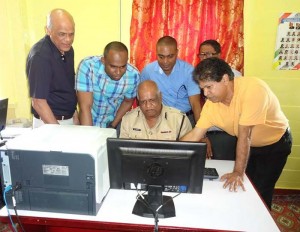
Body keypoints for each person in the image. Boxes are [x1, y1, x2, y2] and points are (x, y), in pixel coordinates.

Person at [180, 57, 292, 209]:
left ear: (225, 79)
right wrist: (170, 155)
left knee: (261, 192)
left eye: (209, 87)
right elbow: (195, 135)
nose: (205, 94)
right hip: (249, 145)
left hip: (274, 144)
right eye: (202, 89)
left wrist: (238, 172)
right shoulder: (212, 105)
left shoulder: (253, 89)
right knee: (246, 188)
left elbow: (245, 135)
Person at [26, 9, 79, 128]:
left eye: (71, 34)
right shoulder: (40, 56)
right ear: (48, 30)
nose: (68, 39)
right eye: (62, 34)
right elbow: (38, 102)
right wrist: (57, 130)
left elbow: (68, 87)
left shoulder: (68, 49)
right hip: (49, 122)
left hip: (68, 119)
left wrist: (75, 114)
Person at [76, 41, 140, 133]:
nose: (118, 72)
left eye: (122, 67)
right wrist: (89, 136)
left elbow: (127, 102)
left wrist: (113, 125)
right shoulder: (88, 67)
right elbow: (85, 107)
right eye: (113, 67)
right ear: (103, 61)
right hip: (88, 121)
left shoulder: (133, 75)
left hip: (113, 123)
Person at [141, 36, 201, 126]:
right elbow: (142, 98)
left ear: (177, 53)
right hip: (159, 119)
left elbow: (195, 104)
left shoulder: (189, 72)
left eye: (170, 56)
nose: (165, 61)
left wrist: (202, 134)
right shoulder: (148, 71)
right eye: (161, 57)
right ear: (156, 54)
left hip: (186, 118)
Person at [198, 39, 242, 160]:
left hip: (226, 133)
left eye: (209, 54)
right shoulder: (201, 76)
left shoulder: (234, 76)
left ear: (219, 55)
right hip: (208, 130)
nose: (205, 57)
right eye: (202, 54)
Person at [120, 80, 192, 140]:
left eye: (152, 100)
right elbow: (122, 152)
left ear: (160, 97)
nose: (148, 105)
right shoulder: (128, 120)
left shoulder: (179, 120)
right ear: (138, 101)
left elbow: (188, 151)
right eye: (143, 102)